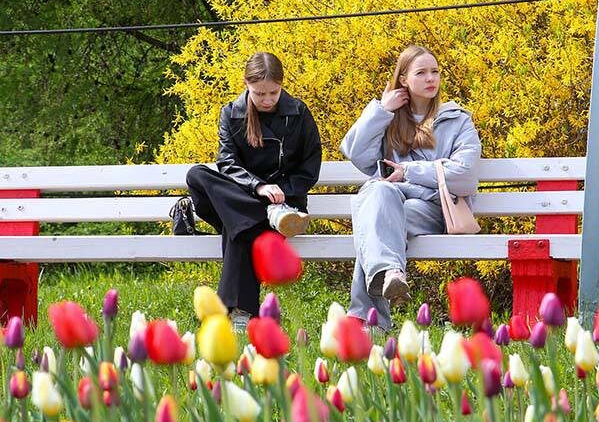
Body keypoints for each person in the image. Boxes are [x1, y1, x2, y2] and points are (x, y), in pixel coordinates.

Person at [171, 52, 322, 330]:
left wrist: (281, 192)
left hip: (284, 204)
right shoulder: (231, 113)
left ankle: (239, 313)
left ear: (281, 85)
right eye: (259, 93)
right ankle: (260, 215)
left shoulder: (298, 113)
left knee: (239, 229)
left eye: (273, 93)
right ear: (246, 84)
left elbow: (309, 168)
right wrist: (258, 187)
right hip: (242, 200)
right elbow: (227, 163)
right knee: (196, 175)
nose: (267, 100)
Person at [339, 45, 481, 331]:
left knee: (374, 220)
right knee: (379, 194)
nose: (431, 78)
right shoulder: (390, 119)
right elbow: (356, 154)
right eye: (421, 73)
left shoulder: (457, 120)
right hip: (395, 204)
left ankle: (367, 319)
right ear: (403, 79)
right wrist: (380, 110)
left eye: (435, 72)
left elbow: (464, 175)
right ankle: (390, 272)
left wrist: (408, 172)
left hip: (436, 208)